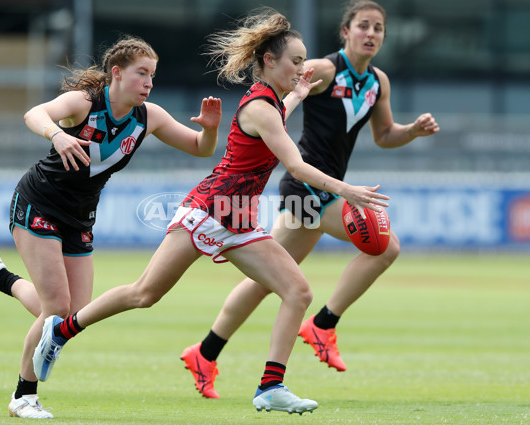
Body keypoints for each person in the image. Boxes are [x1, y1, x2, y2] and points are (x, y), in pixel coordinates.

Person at [31, 8, 390, 415]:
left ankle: (271, 386)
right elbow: (296, 166)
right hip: (209, 209)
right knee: (144, 293)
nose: (303, 67)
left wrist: (298, 94)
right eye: (295, 60)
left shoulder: (271, 101)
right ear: (269, 61)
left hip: (237, 216)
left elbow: (279, 116)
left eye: (304, 60)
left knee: (298, 291)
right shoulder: (260, 106)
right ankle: (61, 330)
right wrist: (348, 191)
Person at [179, 0, 440, 399]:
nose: (371, 34)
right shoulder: (320, 69)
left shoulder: (377, 83)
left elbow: (385, 135)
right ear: (345, 32)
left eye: (378, 28)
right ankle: (322, 323)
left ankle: (206, 352)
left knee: (268, 281)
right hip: (309, 187)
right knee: (385, 247)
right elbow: (280, 97)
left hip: (321, 188)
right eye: (363, 26)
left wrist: (413, 132)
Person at [0, 35, 222, 419]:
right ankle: (23, 396)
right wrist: (58, 133)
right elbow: (35, 113)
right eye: (141, 74)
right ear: (116, 73)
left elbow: (201, 147)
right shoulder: (85, 101)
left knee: (73, 314)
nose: (149, 82)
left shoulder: (150, 116)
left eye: (152, 75)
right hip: (39, 202)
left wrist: (212, 128)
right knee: (55, 309)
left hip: (79, 216)